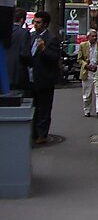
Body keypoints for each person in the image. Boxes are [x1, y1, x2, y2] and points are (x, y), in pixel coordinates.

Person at [21, 11, 60, 144]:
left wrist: (44, 50)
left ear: (45, 24)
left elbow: (55, 58)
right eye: (34, 22)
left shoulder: (51, 39)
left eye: (38, 22)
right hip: (30, 78)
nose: (35, 24)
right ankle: (32, 133)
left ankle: (42, 134)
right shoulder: (31, 36)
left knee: (44, 108)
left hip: (44, 79)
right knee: (32, 106)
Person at [77, 28, 98, 118]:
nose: (95, 38)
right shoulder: (83, 45)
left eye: (96, 36)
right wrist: (86, 65)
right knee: (87, 94)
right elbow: (79, 59)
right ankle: (87, 110)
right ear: (88, 37)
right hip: (87, 72)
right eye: (93, 36)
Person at [6, 7, 30, 92]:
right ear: (22, 19)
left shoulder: (4, 32)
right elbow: (25, 53)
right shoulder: (24, 33)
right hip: (17, 72)